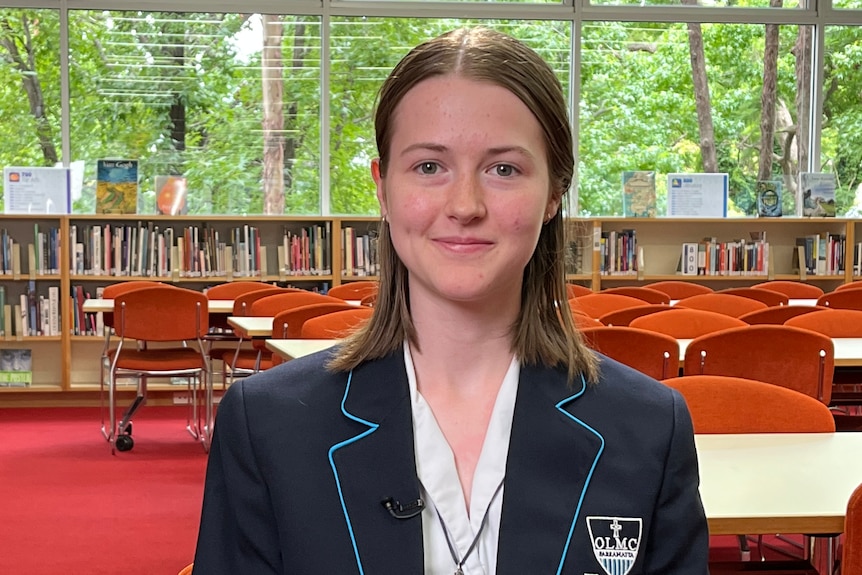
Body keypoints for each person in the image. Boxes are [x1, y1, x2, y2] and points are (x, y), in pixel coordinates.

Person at [193, 27, 708, 574]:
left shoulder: (650, 428)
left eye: (504, 169)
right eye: (429, 167)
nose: (465, 205)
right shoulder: (268, 426)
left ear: (555, 192)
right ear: (383, 188)